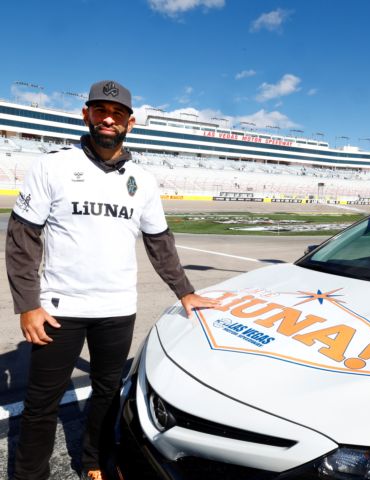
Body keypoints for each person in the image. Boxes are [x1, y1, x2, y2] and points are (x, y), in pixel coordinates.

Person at [5, 80, 218, 480]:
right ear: (86, 114)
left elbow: (160, 242)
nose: (108, 119)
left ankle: (92, 461)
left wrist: (185, 291)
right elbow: (22, 238)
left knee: (106, 395)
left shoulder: (144, 181)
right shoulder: (53, 165)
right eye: (100, 111)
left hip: (118, 310)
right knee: (41, 403)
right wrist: (28, 304)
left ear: (129, 122)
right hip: (57, 310)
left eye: (117, 113)